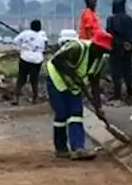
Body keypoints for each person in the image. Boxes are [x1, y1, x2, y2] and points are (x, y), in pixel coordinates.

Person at [45, 29, 112, 160]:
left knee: (76, 114)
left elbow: (95, 84)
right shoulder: (76, 47)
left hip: (74, 86)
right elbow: (56, 61)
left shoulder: (100, 60)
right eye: (100, 48)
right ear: (94, 44)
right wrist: (72, 73)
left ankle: (78, 148)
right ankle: (61, 148)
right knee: (62, 114)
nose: (101, 52)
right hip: (57, 80)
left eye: (104, 50)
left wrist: (98, 106)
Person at [105, 0, 132, 105]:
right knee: (128, 72)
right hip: (127, 50)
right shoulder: (128, 19)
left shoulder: (111, 19)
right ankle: (129, 95)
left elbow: (109, 35)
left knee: (116, 73)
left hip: (115, 50)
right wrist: (130, 46)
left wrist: (117, 45)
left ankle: (117, 95)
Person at [11, 18, 48, 105]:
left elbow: (15, 41)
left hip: (25, 57)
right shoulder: (42, 36)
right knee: (34, 79)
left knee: (21, 78)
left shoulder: (25, 33)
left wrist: (23, 47)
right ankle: (35, 98)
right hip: (37, 59)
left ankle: (16, 98)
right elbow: (45, 46)